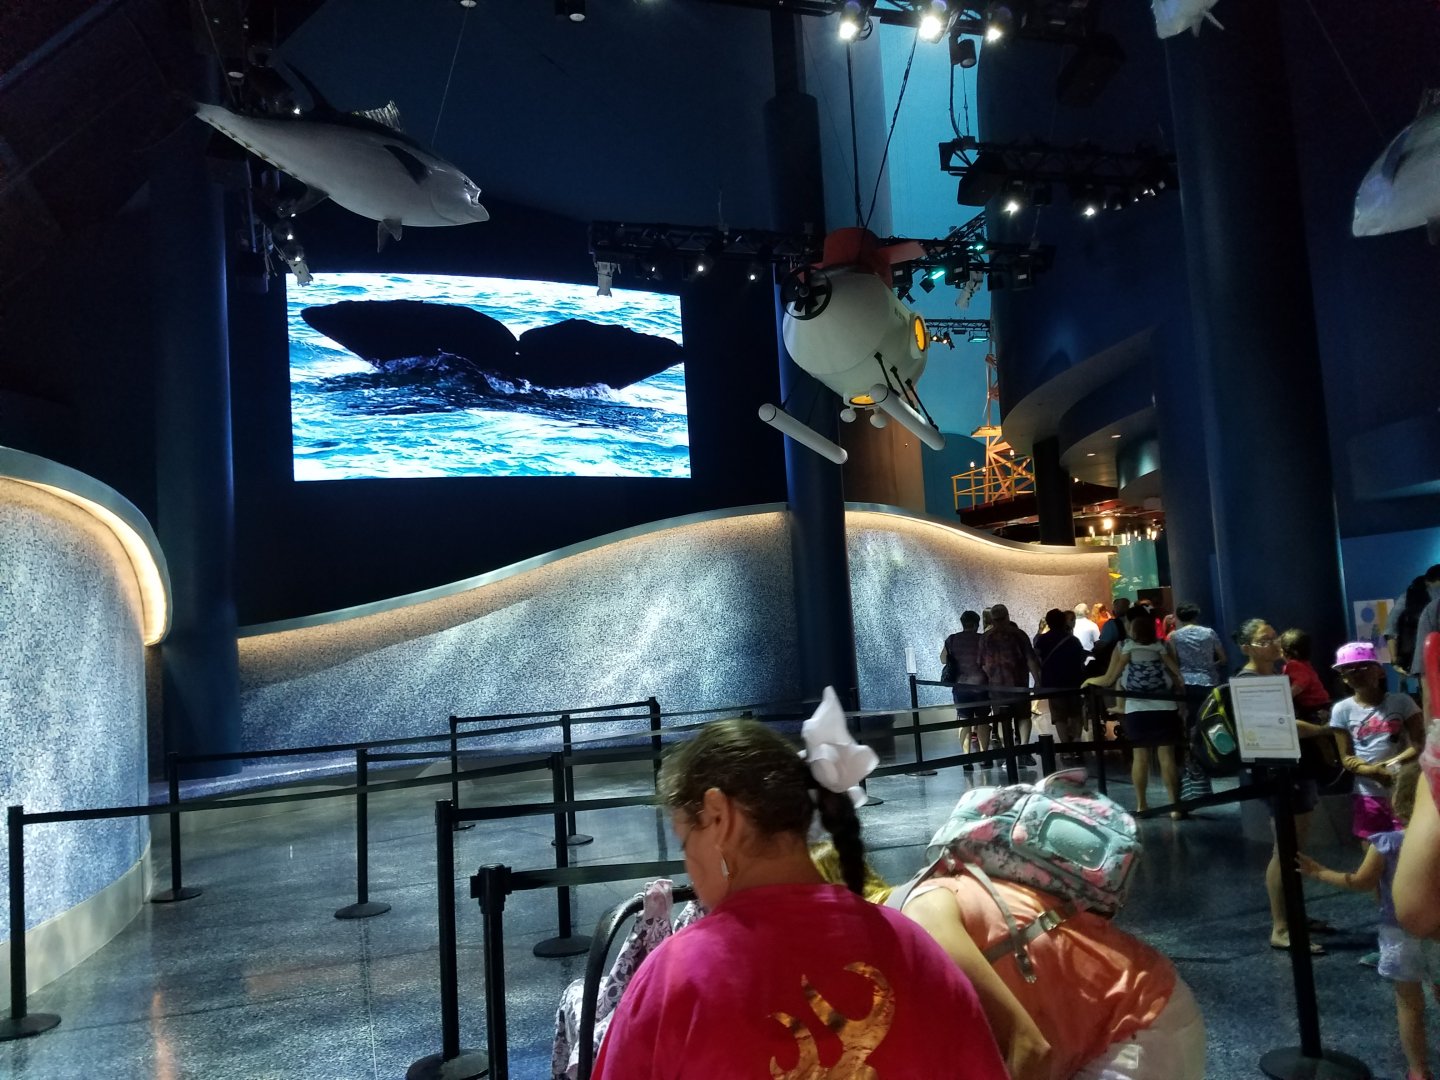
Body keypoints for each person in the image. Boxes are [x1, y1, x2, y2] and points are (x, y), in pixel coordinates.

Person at [591, 704, 1009, 1080]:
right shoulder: (913, 949)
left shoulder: (673, 979)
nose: (689, 867)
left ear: (719, 818)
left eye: (686, 842)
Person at [812, 846, 1206, 1080]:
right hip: (1109, 1027)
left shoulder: (920, 919)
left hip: (1140, 1023)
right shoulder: (898, 931)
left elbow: (1029, 1047)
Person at [1299, 765, 1436, 1080]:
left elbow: (1361, 882)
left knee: (1409, 1003)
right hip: (1437, 928)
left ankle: (1418, 1070)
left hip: (1398, 929)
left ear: (1396, 803)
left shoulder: (1386, 842)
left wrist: (1320, 873)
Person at [1232, 618, 1336, 953]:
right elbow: (1277, 724)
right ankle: (1281, 926)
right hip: (1276, 771)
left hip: (1293, 765)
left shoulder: (1276, 676)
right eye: (1265, 640)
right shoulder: (1249, 680)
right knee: (1285, 849)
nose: (1274, 643)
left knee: (1295, 847)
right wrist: (1325, 730)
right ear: (1246, 648)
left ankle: (1294, 915)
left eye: (1275, 637)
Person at [1083, 608, 1184, 817]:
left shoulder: (1124, 647)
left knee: (1140, 757)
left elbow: (1109, 679)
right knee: (1167, 757)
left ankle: (1142, 805)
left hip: (1137, 708)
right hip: (1165, 706)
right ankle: (1175, 807)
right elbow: (1176, 675)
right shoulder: (1163, 645)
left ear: (1132, 626)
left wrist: (1088, 681)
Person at [1330, 641, 1424, 839]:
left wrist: (1388, 765)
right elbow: (1346, 757)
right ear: (1344, 678)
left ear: (1379, 671)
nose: (1357, 673)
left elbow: (1419, 743)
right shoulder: (1342, 710)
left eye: (1364, 667)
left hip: (1404, 788)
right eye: (1348, 669)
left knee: (1406, 845)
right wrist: (1372, 772)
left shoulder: (1401, 702)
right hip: (1367, 793)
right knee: (1373, 848)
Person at [980, 603, 1042, 767]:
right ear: (1008, 616)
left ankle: (1008, 752)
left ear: (992, 619)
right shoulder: (1019, 635)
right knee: (1023, 717)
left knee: (1001, 719)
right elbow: (1030, 659)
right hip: (1019, 684)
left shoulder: (986, 638)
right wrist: (1037, 681)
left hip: (997, 688)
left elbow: (983, 664)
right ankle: (1023, 751)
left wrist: (991, 678)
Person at [943, 610, 991, 773]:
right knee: (983, 720)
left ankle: (966, 758)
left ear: (962, 623)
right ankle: (984, 757)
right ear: (977, 624)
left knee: (964, 720)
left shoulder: (952, 639)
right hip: (981, 686)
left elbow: (943, 659)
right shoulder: (983, 639)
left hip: (961, 686)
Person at [1034, 607, 1088, 749]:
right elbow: (1080, 659)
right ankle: (1077, 742)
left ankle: (1066, 747)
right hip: (1074, 682)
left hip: (1053, 682)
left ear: (1048, 622)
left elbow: (1036, 659)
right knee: (1076, 712)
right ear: (1064, 621)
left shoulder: (1042, 640)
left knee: (1059, 716)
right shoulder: (1073, 640)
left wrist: (1038, 680)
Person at [1388, 566, 1440, 690]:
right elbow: (1391, 627)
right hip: (1420, 655)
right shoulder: (1412, 598)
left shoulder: (1413, 598)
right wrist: (1395, 660)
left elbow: (1391, 627)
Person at [1167, 602, 1227, 691]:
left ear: (1179, 617)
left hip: (1186, 681)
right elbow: (1223, 659)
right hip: (1210, 679)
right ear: (1196, 615)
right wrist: (1212, 665)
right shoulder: (1209, 632)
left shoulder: (1174, 636)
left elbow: (1175, 662)